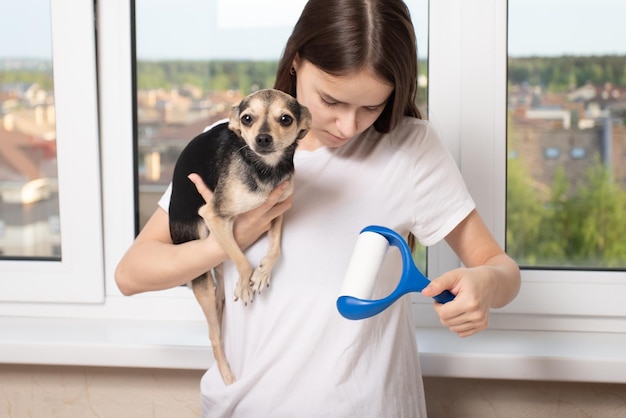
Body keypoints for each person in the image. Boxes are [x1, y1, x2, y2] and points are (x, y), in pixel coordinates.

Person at [115, 0, 521, 416]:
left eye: (371, 107)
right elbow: (131, 274)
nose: (348, 126)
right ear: (296, 62)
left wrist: (485, 284)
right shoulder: (228, 145)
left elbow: (499, 267)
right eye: (332, 100)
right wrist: (234, 237)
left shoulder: (411, 148)